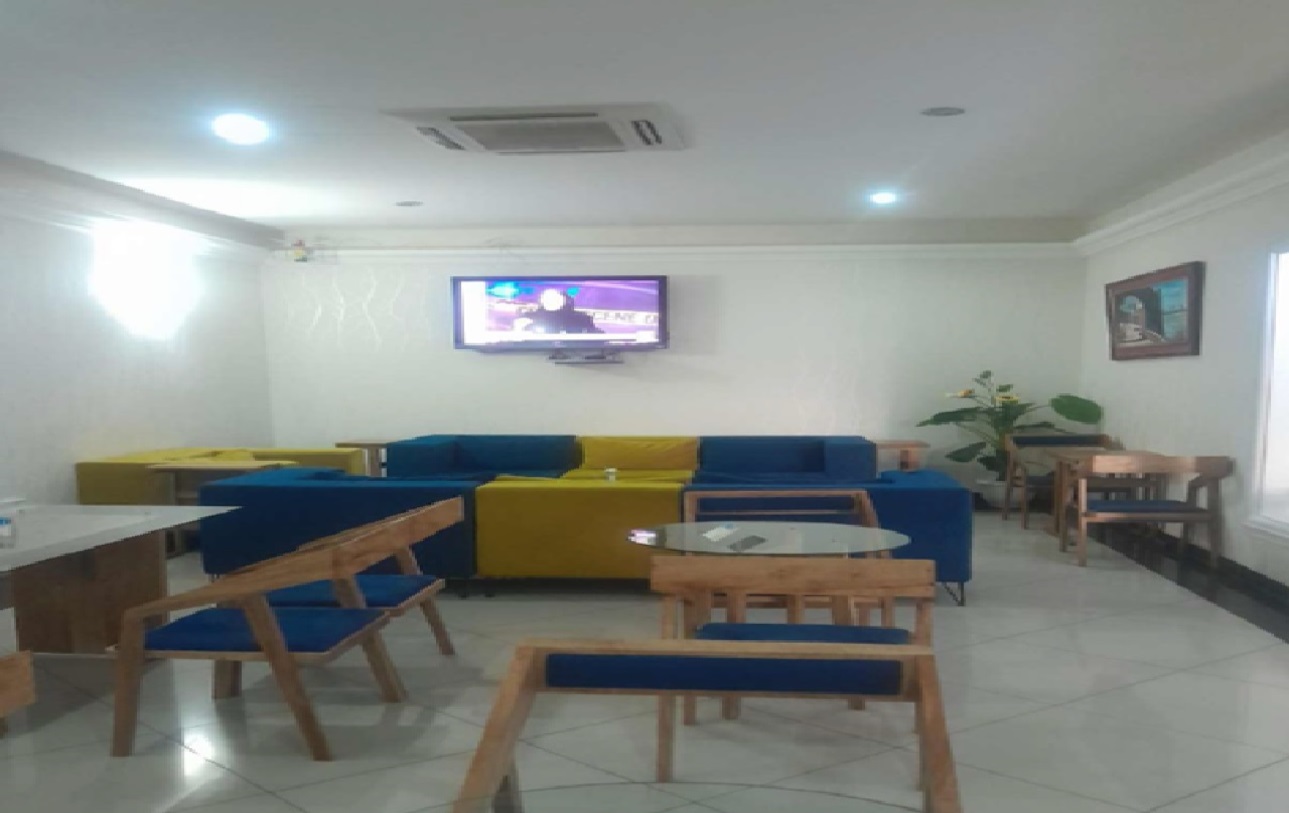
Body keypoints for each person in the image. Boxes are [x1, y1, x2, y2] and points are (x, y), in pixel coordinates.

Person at [512, 288, 602, 334]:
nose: (551, 300)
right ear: (541, 300)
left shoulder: (582, 318)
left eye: (554, 297)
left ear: (564, 300)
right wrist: (518, 329)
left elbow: (598, 338)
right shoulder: (528, 317)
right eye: (547, 297)